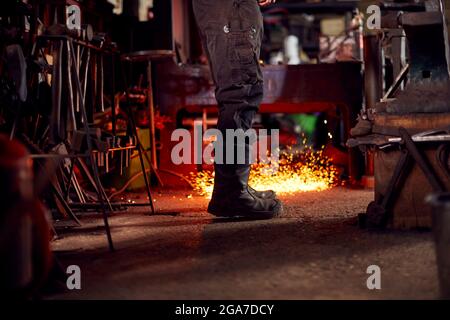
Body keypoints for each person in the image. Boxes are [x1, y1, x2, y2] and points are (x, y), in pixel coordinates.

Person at [192, 0, 282, 219]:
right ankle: (231, 194)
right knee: (240, 93)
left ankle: (233, 187)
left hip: (230, 11)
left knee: (237, 94)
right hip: (232, 10)